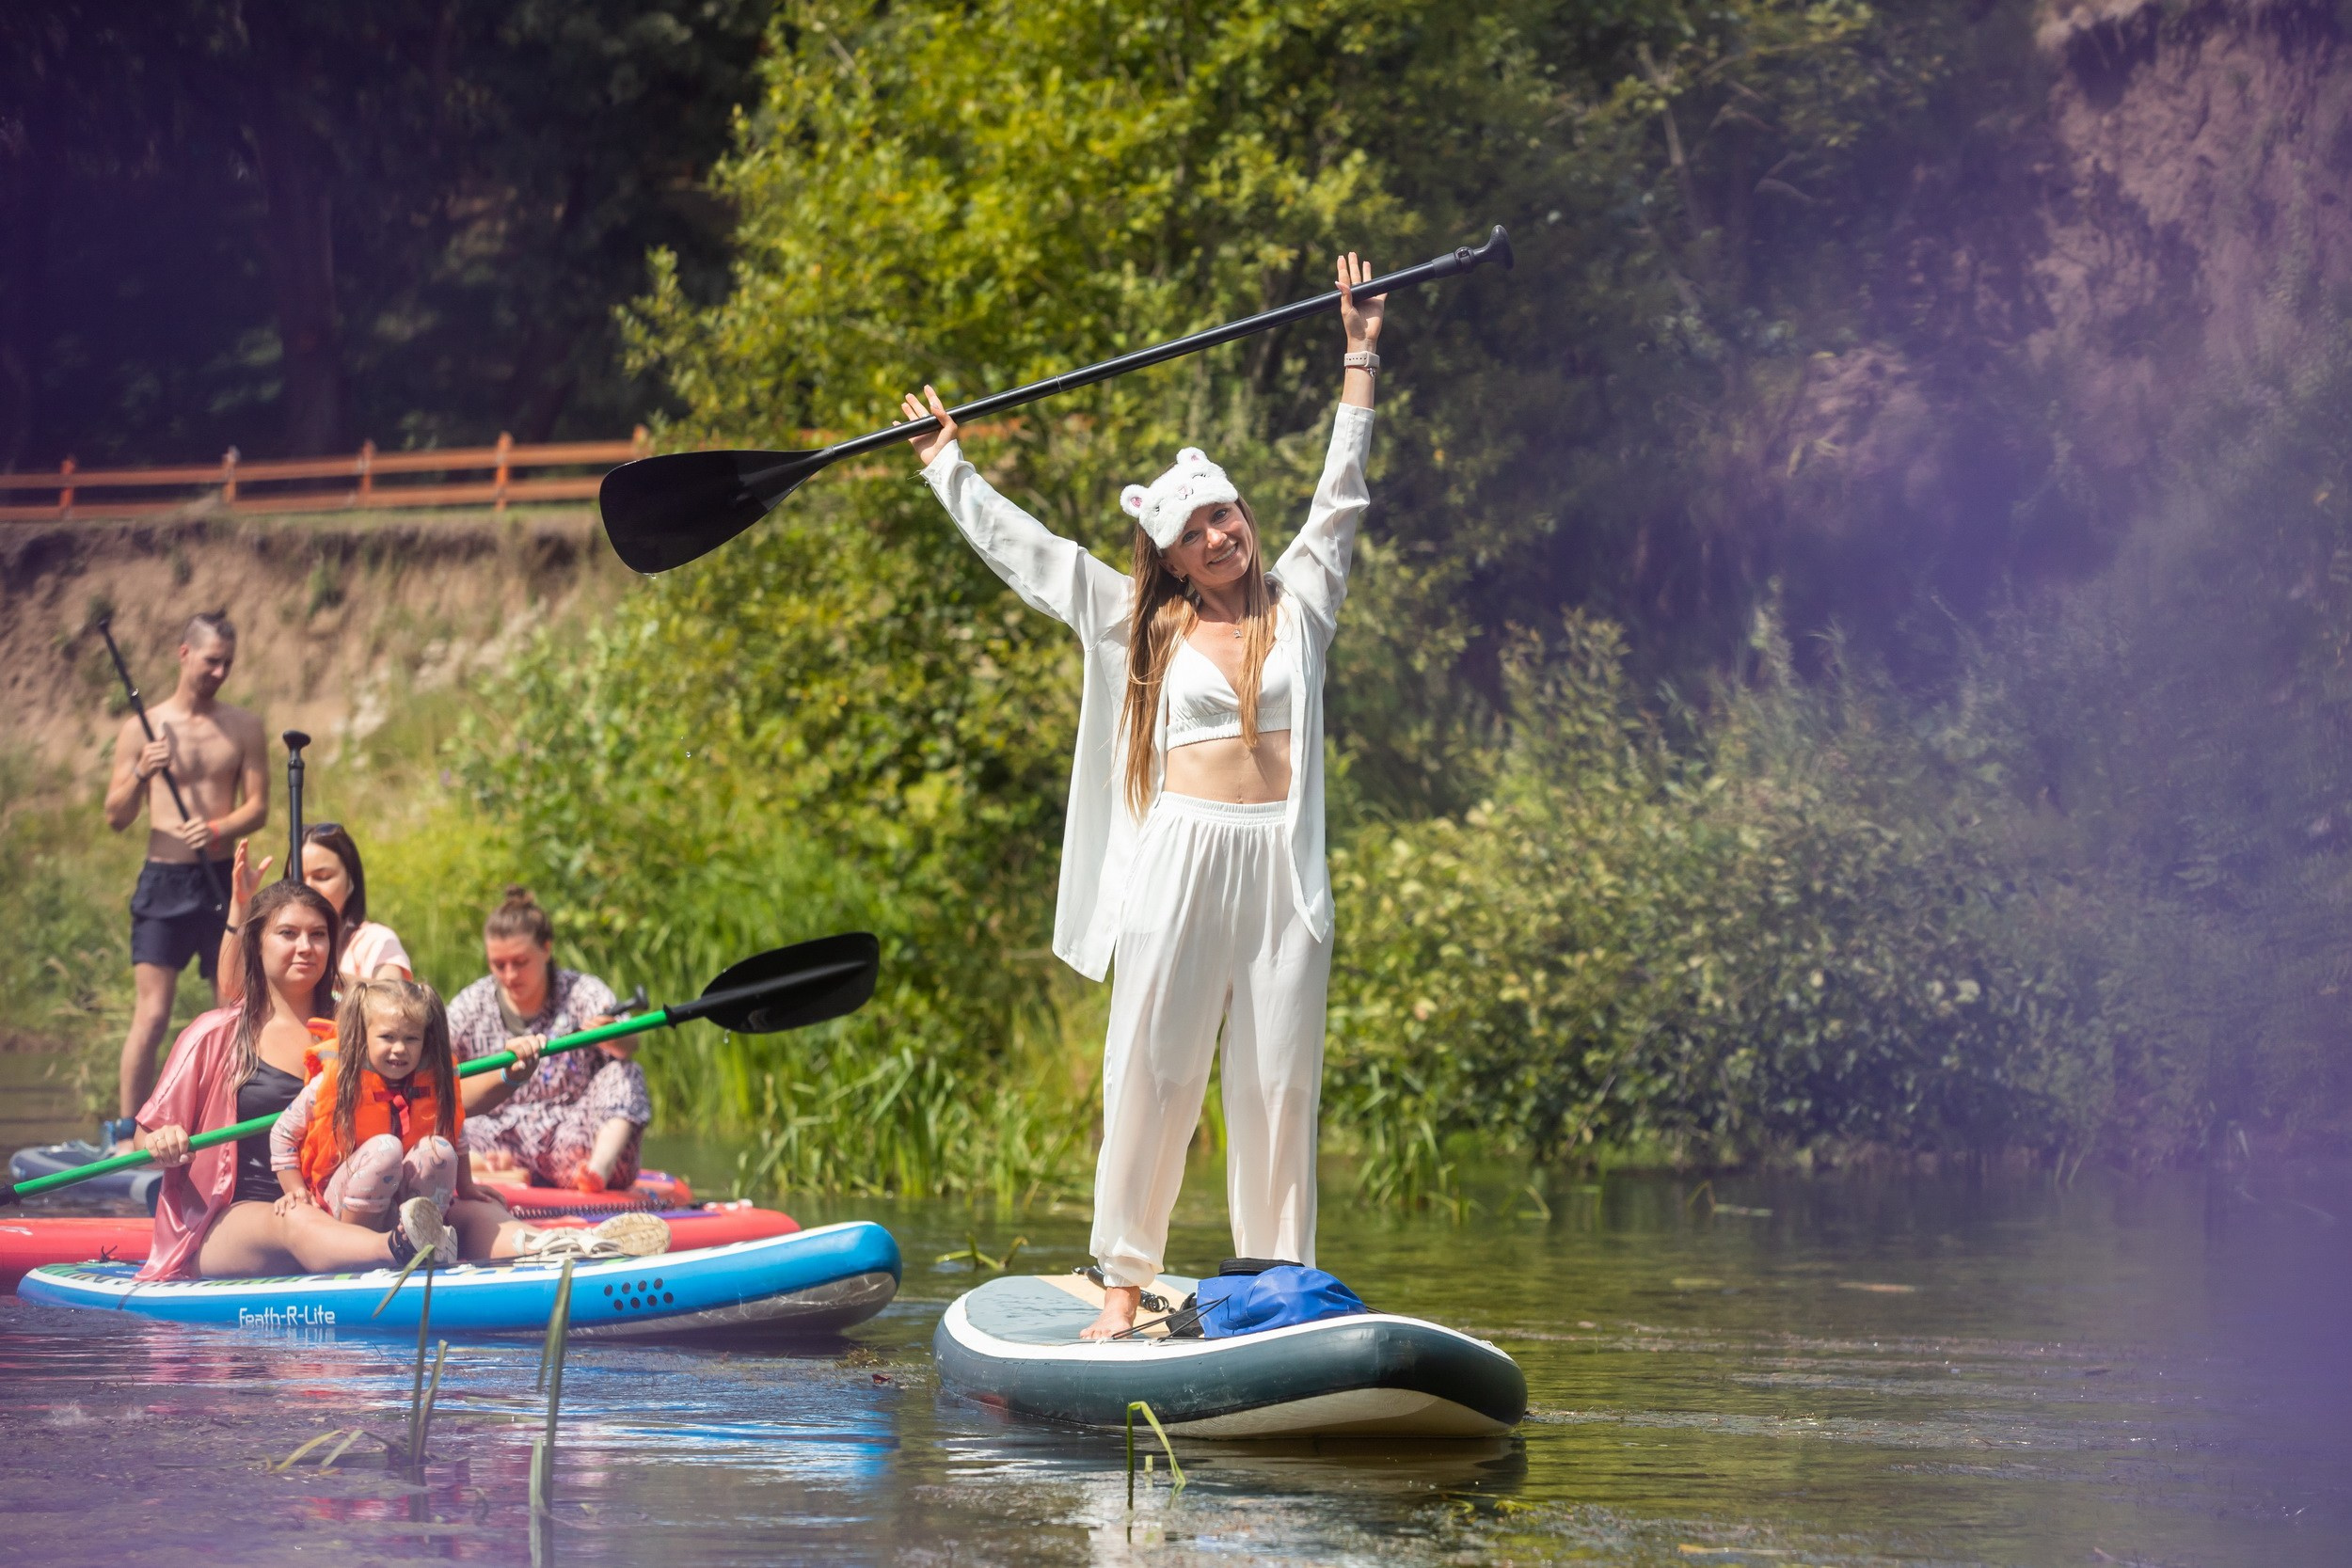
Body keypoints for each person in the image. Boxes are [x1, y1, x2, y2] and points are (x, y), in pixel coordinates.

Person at [898, 252, 1386, 1338]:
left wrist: (1358, 351)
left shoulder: (1303, 598)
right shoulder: (1143, 624)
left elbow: (1340, 493)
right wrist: (949, 468)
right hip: (1183, 854)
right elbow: (1038, 560)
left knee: (1278, 1086)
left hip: (1281, 869)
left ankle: (1278, 1286)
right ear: (1170, 558)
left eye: (1225, 515)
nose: (1220, 536)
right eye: (1195, 533)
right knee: (1154, 1070)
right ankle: (1121, 1284)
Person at [132, 880, 453, 1279]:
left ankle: (544, 1252)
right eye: (288, 934)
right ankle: (403, 1248)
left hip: (344, 1200)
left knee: (466, 1208)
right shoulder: (212, 1034)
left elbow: (446, 1096)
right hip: (237, 1216)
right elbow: (142, 1141)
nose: (306, 947)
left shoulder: (367, 1032)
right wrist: (161, 1141)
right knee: (295, 1219)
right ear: (257, 944)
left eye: (318, 935)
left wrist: (510, 1076)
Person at [101, 610, 268, 1151]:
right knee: (151, 1014)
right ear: (184, 654)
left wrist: (218, 826)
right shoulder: (141, 728)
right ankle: (128, 1132)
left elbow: (259, 808)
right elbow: (115, 815)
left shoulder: (243, 726)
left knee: (230, 1005)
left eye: (227, 663)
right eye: (210, 660)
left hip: (218, 874)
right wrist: (141, 772)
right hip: (164, 879)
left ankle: (222, 1126)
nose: (219, 672)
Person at [449, 887, 649, 1194]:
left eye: (520, 962)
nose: (510, 975)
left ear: (546, 948)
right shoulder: (472, 1002)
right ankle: (487, 1169)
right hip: (495, 1138)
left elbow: (629, 1046)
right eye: (498, 965)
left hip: (569, 1137)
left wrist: (613, 1036)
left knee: (626, 1072)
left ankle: (597, 1173)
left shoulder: (582, 991)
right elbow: (437, 1057)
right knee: (442, 1099)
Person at [270, 977, 466, 1231]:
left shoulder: (433, 1083)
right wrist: (296, 1190)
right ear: (364, 1036)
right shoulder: (332, 1083)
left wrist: (469, 1188)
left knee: (439, 1150)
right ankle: (357, 1243)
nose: (399, 1048)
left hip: (399, 1206)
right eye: (387, 1037)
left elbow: (458, 1138)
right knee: (387, 1148)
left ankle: (420, 1235)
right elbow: (282, 1134)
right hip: (339, 1208)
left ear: (425, 1041)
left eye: (411, 1038)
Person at [214, 822, 413, 1002]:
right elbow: (233, 987)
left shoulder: (374, 940)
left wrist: (324, 975)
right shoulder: (277, 937)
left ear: (351, 881)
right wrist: (240, 905)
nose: (309, 888)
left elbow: (396, 997)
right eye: (298, 878)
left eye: (323, 876)